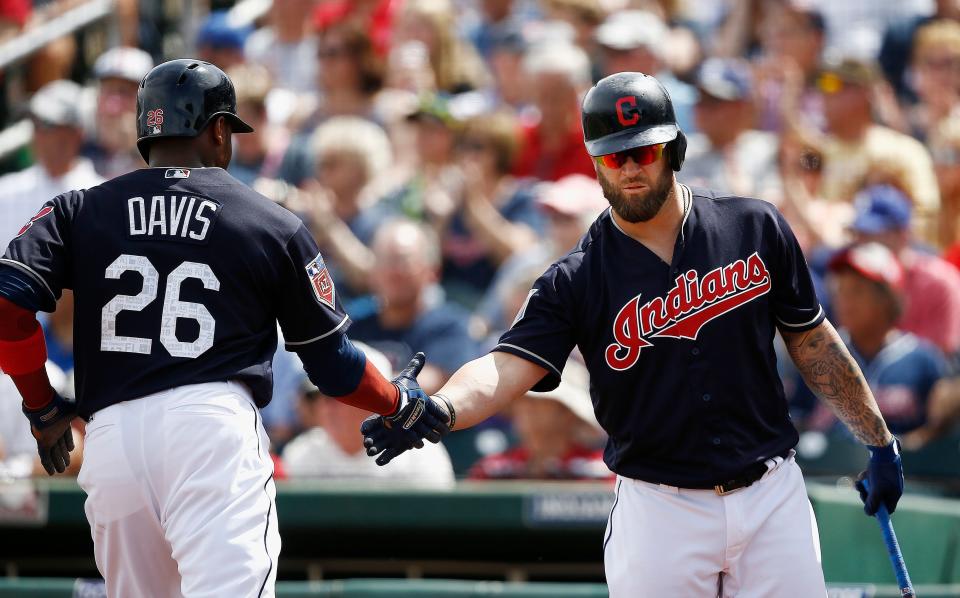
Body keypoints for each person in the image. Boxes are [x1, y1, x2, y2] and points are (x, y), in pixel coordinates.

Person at [362, 72, 904, 596]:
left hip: (770, 494)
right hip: (659, 509)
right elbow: (507, 364)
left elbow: (812, 340)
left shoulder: (754, 227)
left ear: (674, 151)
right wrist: (442, 406)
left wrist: (877, 439)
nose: (628, 170)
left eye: (641, 152)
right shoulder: (576, 278)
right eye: (612, 157)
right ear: (596, 164)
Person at [0, 59, 448, 598]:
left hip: (111, 439)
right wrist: (395, 402)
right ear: (216, 129)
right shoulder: (269, 220)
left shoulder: (79, 208)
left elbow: (7, 309)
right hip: (209, 430)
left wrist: (42, 406)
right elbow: (332, 366)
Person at [283, 342, 455, 487]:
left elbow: (438, 520)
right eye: (320, 397)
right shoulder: (301, 452)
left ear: (376, 403)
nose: (327, 408)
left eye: (339, 398)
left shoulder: (420, 450)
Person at [0, 80, 103, 247]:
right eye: (35, 123)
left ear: (76, 132)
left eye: (47, 125)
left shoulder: (100, 194)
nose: (38, 134)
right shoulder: (5, 191)